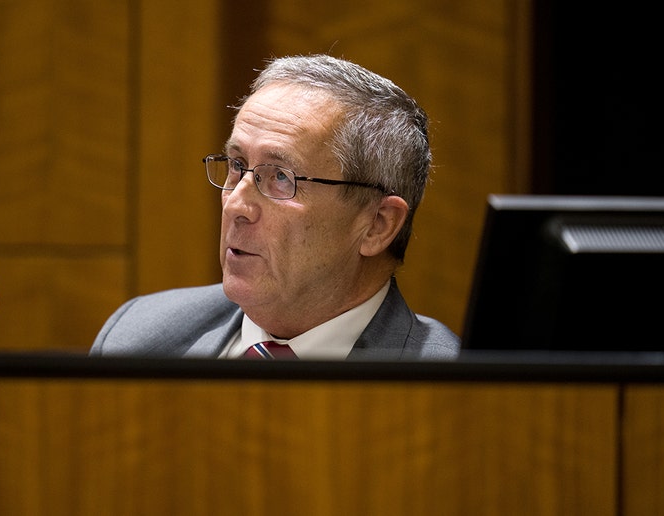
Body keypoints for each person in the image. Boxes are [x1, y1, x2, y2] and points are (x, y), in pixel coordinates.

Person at [90, 54, 460, 360]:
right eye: (237, 166)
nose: (236, 204)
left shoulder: (454, 388)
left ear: (377, 224)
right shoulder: (136, 339)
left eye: (282, 177)